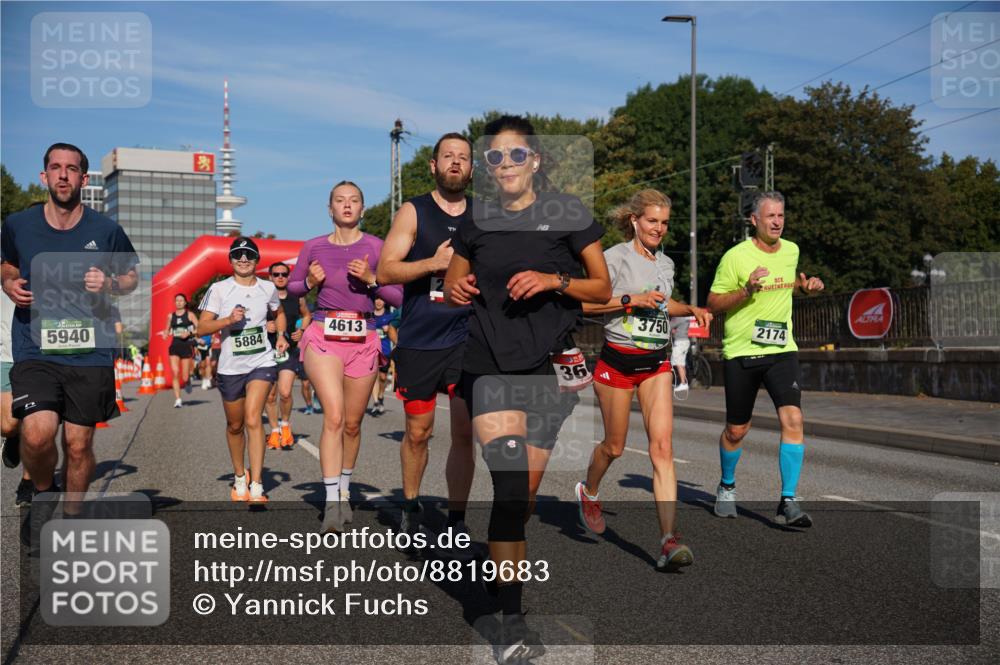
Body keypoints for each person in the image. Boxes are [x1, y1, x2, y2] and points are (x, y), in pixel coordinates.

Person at [445, 115, 611, 663]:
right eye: (494, 158)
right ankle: (510, 623)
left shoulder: (568, 214)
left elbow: (601, 286)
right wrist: (456, 284)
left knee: (524, 498)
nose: (505, 165)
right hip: (485, 363)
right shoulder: (477, 219)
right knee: (512, 489)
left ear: (535, 161)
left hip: (544, 370)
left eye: (516, 156)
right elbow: (453, 279)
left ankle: (502, 568)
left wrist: (553, 281)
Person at [1, 142, 139, 527]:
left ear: (83, 177)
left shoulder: (107, 230)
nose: (63, 174)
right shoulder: (17, 225)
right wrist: (9, 282)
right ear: (44, 176)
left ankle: (72, 520)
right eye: (56, 168)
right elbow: (7, 265)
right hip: (35, 348)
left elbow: (131, 276)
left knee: (78, 446)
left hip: (90, 352)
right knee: (37, 433)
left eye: (72, 168)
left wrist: (110, 281)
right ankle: (45, 495)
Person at [575, 189, 711, 570]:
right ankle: (589, 491)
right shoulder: (612, 258)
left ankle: (669, 540)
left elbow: (663, 303)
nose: (658, 228)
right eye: (652, 220)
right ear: (634, 220)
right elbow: (583, 302)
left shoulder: (665, 263)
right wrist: (630, 301)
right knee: (615, 448)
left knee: (662, 449)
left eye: (664, 222)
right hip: (616, 363)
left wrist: (691, 309)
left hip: (655, 364)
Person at [375, 132, 476, 543]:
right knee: (419, 432)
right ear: (433, 166)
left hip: (467, 336)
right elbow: (385, 271)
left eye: (464, 157)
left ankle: (456, 521)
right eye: (448, 156)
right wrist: (434, 262)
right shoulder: (413, 211)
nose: (456, 162)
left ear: (471, 168)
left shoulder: (486, 216)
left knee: (465, 433)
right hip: (420, 337)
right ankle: (412, 506)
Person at [287, 181, 402, 533]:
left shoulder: (377, 246)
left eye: (354, 201)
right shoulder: (314, 246)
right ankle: (332, 501)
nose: (347, 205)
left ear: (363, 209)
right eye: (340, 200)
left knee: (353, 424)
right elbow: (291, 288)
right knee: (333, 417)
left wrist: (371, 280)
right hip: (323, 336)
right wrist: (308, 281)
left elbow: (398, 296)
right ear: (330, 208)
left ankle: (345, 488)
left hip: (363, 337)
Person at [706, 191, 824, 527]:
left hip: (781, 350)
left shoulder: (791, 251)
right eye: (770, 216)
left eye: (781, 216)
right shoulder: (735, 257)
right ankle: (727, 486)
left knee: (794, 421)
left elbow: (786, 286)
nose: (777, 222)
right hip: (742, 352)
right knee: (736, 430)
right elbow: (713, 303)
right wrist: (746, 291)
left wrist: (804, 288)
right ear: (754, 220)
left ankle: (788, 501)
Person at [198, 236, 288, 504]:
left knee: (253, 419)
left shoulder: (268, 288)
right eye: (238, 255)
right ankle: (240, 477)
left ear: (257, 260)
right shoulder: (219, 290)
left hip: (262, 361)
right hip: (230, 366)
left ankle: (258, 484)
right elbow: (202, 327)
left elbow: (279, 313)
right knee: (235, 425)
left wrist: (281, 334)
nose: (244, 259)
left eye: (249, 254)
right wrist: (227, 320)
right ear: (230, 261)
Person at [264, 261, 311, 449]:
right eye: (276, 274)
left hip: (288, 351)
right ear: (270, 277)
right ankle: (274, 431)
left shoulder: (296, 297)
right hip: (266, 352)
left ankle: (285, 425)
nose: (280, 277)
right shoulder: (263, 298)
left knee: (284, 392)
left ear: (289, 276)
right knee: (269, 396)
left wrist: (302, 330)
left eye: (284, 274)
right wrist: (264, 326)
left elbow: (307, 315)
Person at [2, 288, 33, 507]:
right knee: (8, 426)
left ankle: (28, 481)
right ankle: (14, 437)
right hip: (5, 355)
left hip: (35, 356)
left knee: (35, 423)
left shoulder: (40, 265)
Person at [159, 293, 199, 408]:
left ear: (185, 302)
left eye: (181, 300)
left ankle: (187, 382)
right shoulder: (171, 316)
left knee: (185, 376)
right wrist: (165, 334)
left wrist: (189, 333)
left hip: (186, 346)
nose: (179, 302)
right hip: (175, 346)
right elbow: (167, 330)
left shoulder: (190, 315)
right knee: (175, 373)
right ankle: (178, 399)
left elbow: (200, 328)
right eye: (177, 300)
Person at [368, 297, 393, 416]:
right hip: (372, 351)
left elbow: (396, 332)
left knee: (383, 377)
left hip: (385, 350)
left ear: (384, 302)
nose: (378, 301)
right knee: (374, 377)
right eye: (376, 299)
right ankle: (376, 402)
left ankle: (381, 396)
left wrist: (389, 330)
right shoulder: (369, 315)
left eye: (381, 299)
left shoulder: (389, 317)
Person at [669, 315, 691, 398]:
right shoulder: (686, 318)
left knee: (678, 363)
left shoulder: (679, 317)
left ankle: (683, 383)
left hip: (680, 342)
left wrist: (673, 329)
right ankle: (684, 382)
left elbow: (669, 326)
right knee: (681, 363)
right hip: (685, 340)